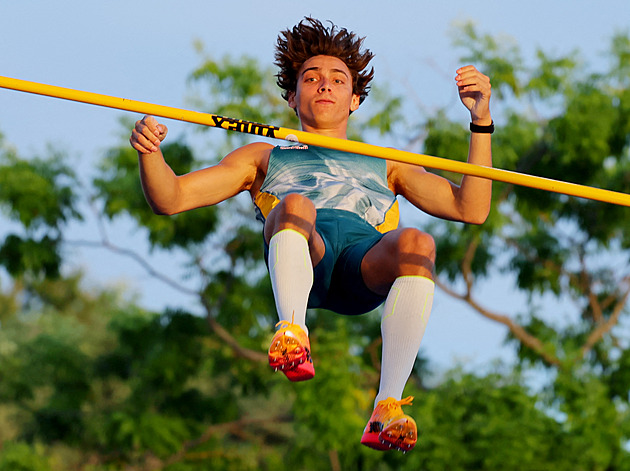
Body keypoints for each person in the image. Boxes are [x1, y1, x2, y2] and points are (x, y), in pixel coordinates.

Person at [130, 17, 492, 453]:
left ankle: (386, 406)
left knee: (419, 242)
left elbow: (470, 209)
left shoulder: (387, 163)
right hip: (305, 257)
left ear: (355, 99)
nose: (325, 85)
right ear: (291, 96)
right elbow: (171, 198)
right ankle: (292, 335)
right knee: (296, 204)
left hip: (362, 267)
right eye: (312, 78)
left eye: (338, 80)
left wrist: (481, 120)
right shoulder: (263, 155)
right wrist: (150, 154)